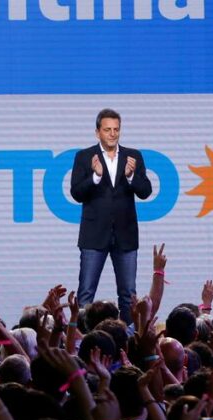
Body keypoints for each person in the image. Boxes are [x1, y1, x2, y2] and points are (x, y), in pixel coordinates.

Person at [70, 108, 152, 324]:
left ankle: (128, 340)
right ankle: (82, 343)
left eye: (116, 129)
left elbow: (146, 192)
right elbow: (76, 193)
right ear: (98, 132)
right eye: (107, 130)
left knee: (128, 295)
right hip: (94, 235)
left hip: (125, 235)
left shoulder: (133, 156)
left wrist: (132, 176)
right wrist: (95, 177)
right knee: (86, 294)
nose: (112, 134)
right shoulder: (84, 157)